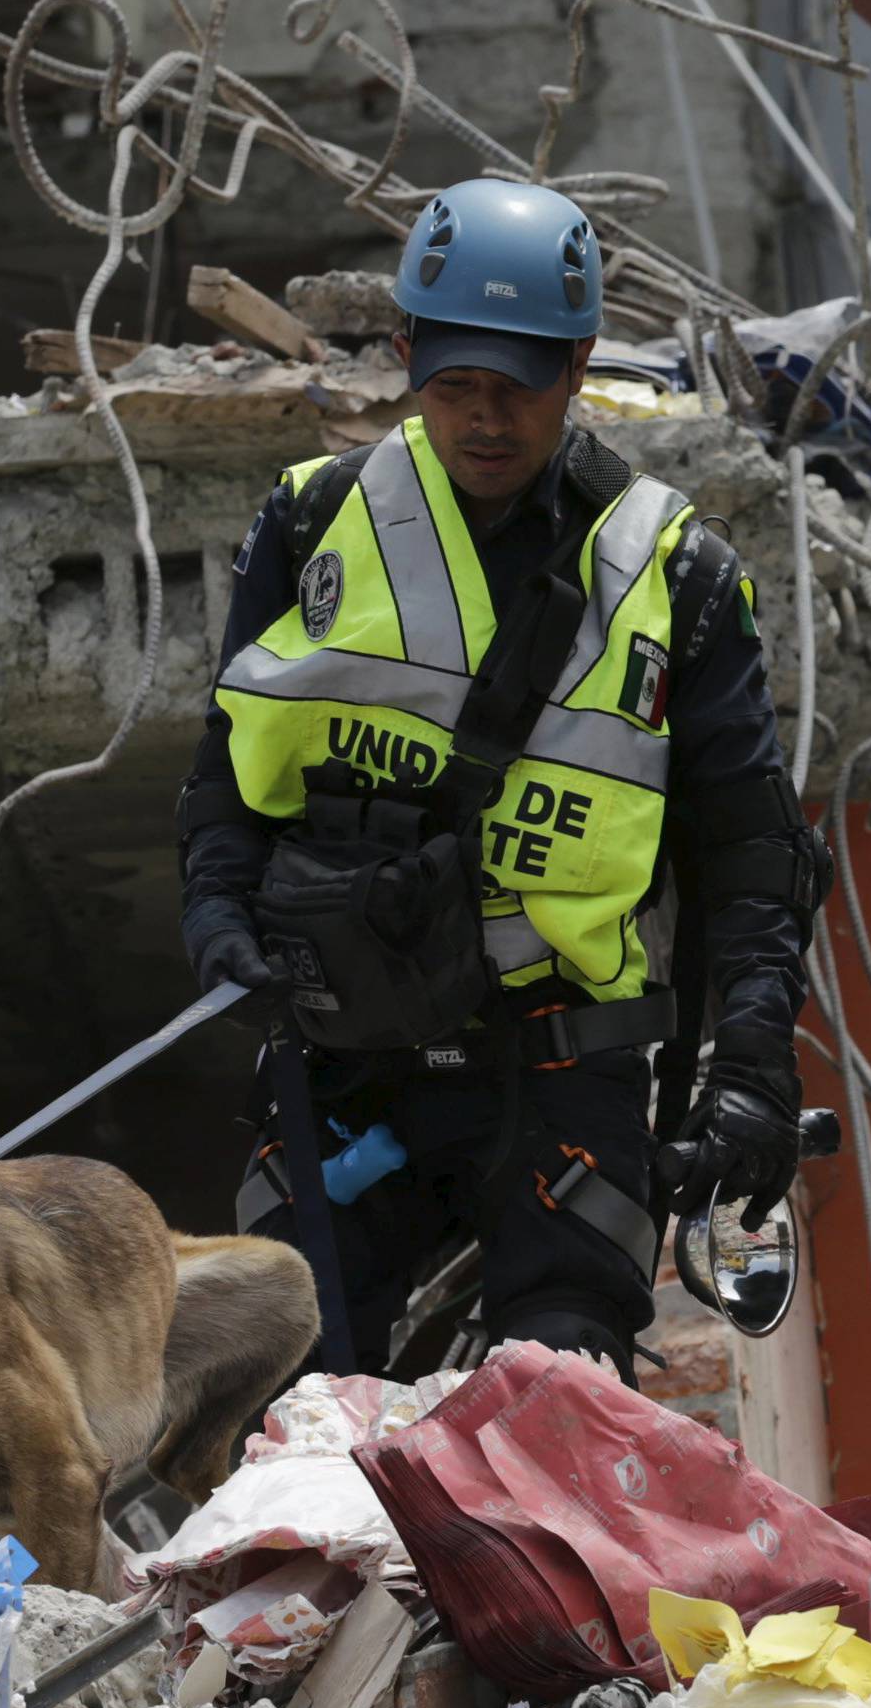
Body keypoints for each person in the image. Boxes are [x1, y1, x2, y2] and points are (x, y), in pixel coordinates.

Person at [175, 178, 829, 1379]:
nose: (485, 419)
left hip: (563, 1067)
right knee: (293, 1406)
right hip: (343, 1056)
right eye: (454, 384)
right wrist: (218, 918)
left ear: (578, 367)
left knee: (557, 1407)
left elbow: (751, 855)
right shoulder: (313, 522)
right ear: (409, 354)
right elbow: (227, 775)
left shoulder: (674, 573)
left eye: (518, 388)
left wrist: (750, 1068)